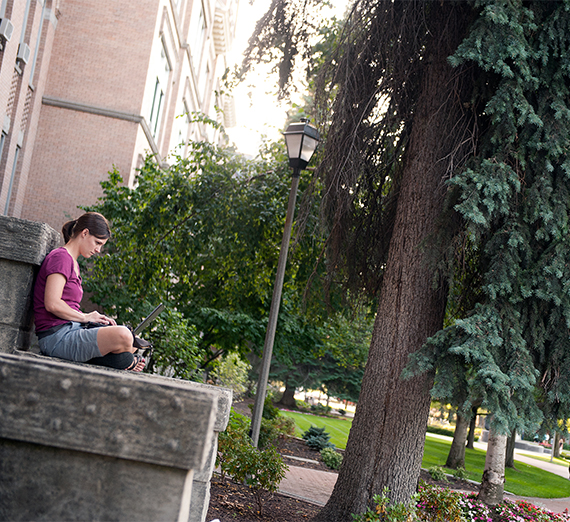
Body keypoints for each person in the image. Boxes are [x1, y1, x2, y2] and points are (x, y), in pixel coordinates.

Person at [33, 212, 145, 371]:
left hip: (73, 329)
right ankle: (121, 361)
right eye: (97, 242)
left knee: (132, 343)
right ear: (84, 233)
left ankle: (122, 361)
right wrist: (86, 317)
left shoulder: (73, 263)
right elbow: (52, 304)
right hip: (56, 337)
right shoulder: (61, 257)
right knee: (124, 337)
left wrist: (93, 320)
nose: (98, 250)